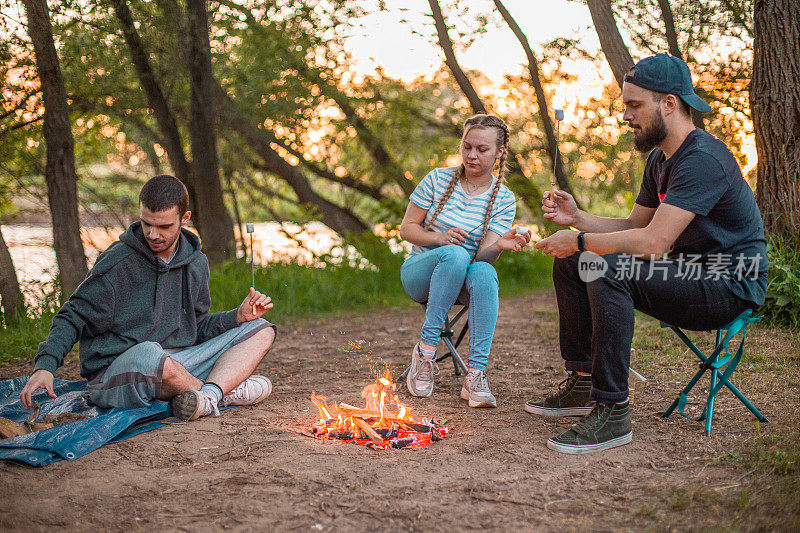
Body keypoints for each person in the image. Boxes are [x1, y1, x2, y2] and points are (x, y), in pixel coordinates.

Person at [529, 53, 768, 454]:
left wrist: (582, 242)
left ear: (669, 104)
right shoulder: (660, 159)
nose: (625, 116)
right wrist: (578, 219)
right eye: (625, 105)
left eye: (634, 105)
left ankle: (613, 411)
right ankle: (585, 379)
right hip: (689, 272)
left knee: (599, 264)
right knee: (574, 263)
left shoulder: (703, 158)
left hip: (729, 282)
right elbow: (636, 227)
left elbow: (654, 243)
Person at [19, 175, 277, 422]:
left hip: (177, 362)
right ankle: (223, 394)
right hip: (116, 372)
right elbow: (73, 315)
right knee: (153, 356)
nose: (153, 234)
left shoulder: (196, 263)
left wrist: (238, 317)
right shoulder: (117, 262)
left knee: (261, 330)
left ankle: (207, 397)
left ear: (184, 218)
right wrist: (46, 365)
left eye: (164, 226)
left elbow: (195, 329)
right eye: (146, 224)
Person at [398, 113, 531, 408]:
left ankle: (475, 375)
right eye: (467, 147)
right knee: (456, 253)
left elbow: (482, 257)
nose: (472, 155)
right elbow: (406, 229)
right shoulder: (436, 179)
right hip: (420, 273)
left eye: (482, 150)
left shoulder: (504, 199)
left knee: (484, 271)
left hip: (460, 281)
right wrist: (440, 238)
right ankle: (426, 352)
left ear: (499, 153)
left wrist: (500, 245)